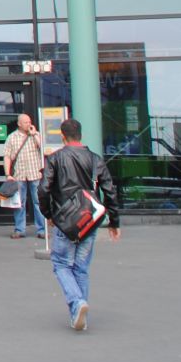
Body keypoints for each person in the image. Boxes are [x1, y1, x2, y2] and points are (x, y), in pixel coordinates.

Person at [39, 118, 121, 331]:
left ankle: (77, 304)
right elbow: (110, 190)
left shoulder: (55, 159)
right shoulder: (95, 159)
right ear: (81, 135)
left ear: (62, 136)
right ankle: (79, 317)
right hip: (89, 219)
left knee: (61, 264)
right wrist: (114, 221)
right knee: (81, 268)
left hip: (65, 220)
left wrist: (49, 214)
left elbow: (43, 189)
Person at [3, 113, 47, 240]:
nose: (29, 124)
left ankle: (42, 229)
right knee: (19, 203)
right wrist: (8, 174)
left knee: (38, 202)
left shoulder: (36, 135)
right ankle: (19, 229)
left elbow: (43, 149)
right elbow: (7, 156)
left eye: (29, 121)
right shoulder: (12, 138)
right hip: (19, 174)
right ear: (19, 124)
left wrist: (35, 135)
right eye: (26, 122)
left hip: (35, 173)